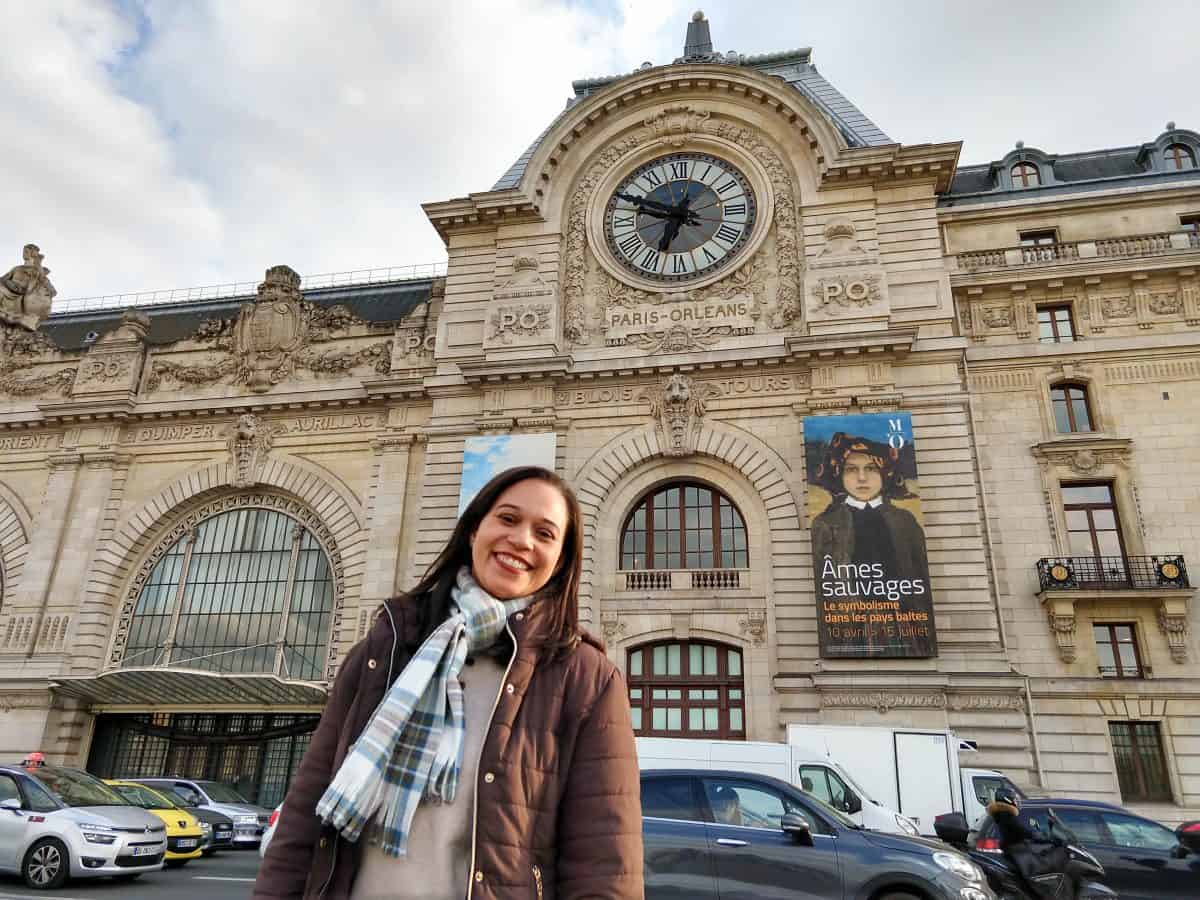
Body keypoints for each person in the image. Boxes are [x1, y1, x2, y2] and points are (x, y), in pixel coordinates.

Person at [254, 466, 644, 900]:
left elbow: (604, 864)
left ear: (560, 563)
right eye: (509, 519)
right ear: (475, 529)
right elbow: (304, 819)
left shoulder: (585, 679)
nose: (522, 541)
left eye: (545, 534)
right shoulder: (384, 650)